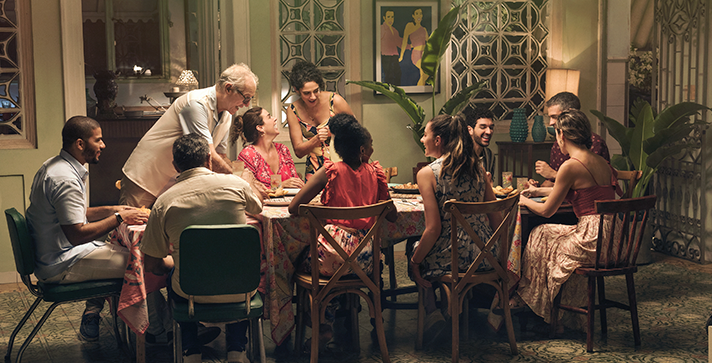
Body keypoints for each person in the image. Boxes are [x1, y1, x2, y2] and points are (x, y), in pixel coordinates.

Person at [25, 116, 149, 342]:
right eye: (98, 140)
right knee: (143, 263)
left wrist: (112, 209)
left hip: (52, 255)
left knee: (130, 254)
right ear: (80, 144)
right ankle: (156, 331)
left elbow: (71, 216)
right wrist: (121, 217)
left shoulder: (54, 166)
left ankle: (98, 314)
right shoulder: (65, 180)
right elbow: (76, 235)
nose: (103, 145)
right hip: (61, 263)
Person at [141, 133, 263, 363]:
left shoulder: (164, 202)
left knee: (174, 279)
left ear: (175, 166)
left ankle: (190, 350)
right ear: (209, 159)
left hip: (190, 294)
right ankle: (237, 349)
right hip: (243, 289)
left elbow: (152, 265)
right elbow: (257, 207)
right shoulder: (236, 185)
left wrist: (177, 262)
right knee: (238, 269)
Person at [288, 113, 397, 348]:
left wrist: (322, 210)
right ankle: (360, 318)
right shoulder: (376, 172)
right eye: (370, 146)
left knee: (300, 262)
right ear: (361, 150)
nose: (373, 149)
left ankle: (322, 323)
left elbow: (294, 207)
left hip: (331, 256)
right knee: (341, 267)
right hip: (366, 259)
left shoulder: (330, 171)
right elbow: (393, 215)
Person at [515, 109, 617, 329]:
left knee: (540, 234)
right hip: (612, 236)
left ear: (562, 135)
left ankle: (536, 303)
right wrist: (536, 192)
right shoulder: (599, 161)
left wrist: (523, 202)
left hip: (592, 237)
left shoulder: (570, 165)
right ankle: (549, 306)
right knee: (542, 233)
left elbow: (546, 212)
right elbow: (580, 191)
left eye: (556, 134)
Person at [408, 114, 502, 344]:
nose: (422, 139)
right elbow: (496, 220)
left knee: (415, 251)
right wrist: (500, 259)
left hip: (453, 258)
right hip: (485, 256)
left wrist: (414, 262)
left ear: (438, 140)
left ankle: (433, 312)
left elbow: (433, 230)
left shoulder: (427, 173)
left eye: (426, 135)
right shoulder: (479, 170)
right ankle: (449, 311)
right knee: (424, 250)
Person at [120, 63, 259, 208]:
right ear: (228, 88)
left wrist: (251, 180)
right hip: (146, 178)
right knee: (133, 226)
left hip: (174, 185)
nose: (247, 104)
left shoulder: (227, 115)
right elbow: (208, 154)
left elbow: (221, 156)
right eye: (246, 98)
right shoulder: (196, 104)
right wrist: (243, 181)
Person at [286, 61, 353, 179]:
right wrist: (316, 139)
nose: (312, 97)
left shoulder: (335, 101)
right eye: (306, 93)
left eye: (316, 91)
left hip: (342, 163)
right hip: (314, 168)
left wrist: (332, 132)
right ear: (296, 90)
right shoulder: (293, 110)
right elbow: (299, 152)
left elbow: (357, 132)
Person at [530, 92, 610, 187]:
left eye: (554, 117)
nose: (551, 122)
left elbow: (587, 185)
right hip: (561, 198)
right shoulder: (558, 144)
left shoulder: (595, 142)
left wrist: (555, 174)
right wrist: (536, 188)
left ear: (570, 114)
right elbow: (551, 183)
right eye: (549, 117)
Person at [232, 107, 304, 190]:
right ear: (260, 128)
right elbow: (244, 189)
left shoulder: (283, 149)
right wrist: (280, 185)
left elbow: (296, 182)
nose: (275, 118)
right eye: (269, 117)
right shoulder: (246, 155)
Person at [463, 107, 496, 182]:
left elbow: (489, 186)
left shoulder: (490, 155)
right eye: (483, 127)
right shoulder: (460, 155)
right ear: (470, 130)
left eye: (491, 127)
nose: (489, 132)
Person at [399, 8, 429, 86]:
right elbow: (404, 41)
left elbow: (429, 43)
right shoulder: (410, 26)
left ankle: (419, 90)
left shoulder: (424, 29)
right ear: (413, 16)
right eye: (417, 13)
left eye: (420, 13)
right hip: (416, 54)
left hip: (424, 54)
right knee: (424, 73)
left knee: (424, 75)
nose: (419, 15)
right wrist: (401, 56)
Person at [380, 9, 402, 85]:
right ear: (384, 18)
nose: (390, 19)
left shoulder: (394, 30)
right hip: (386, 56)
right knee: (388, 76)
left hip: (394, 56)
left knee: (398, 73)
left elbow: (399, 42)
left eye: (392, 17)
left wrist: (410, 45)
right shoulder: (381, 28)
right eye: (388, 17)